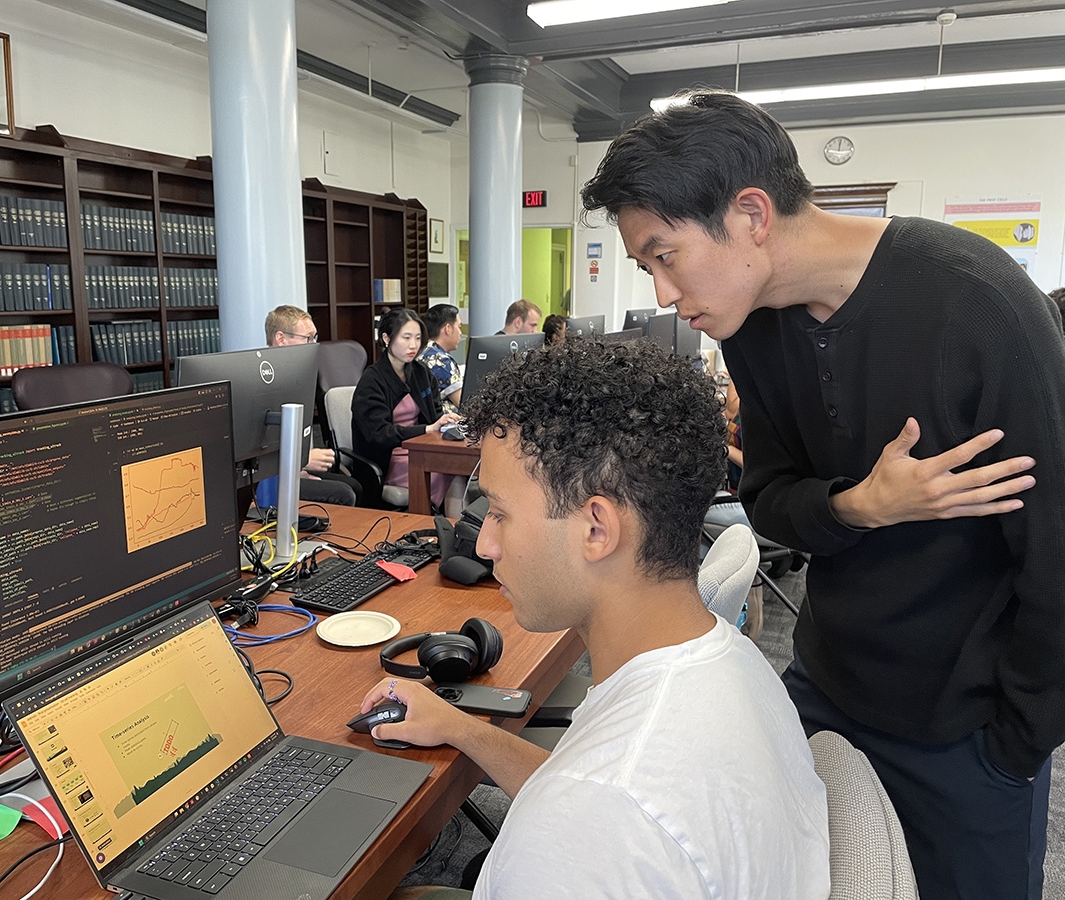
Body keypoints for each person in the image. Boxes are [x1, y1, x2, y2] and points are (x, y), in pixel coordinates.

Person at [581, 89, 1065, 900]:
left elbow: (1057, 553)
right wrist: (859, 506)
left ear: (750, 215)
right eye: (646, 267)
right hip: (825, 687)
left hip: (968, 727)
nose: (663, 293)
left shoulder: (978, 304)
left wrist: (1018, 739)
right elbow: (770, 499)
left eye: (665, 255)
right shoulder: (753, 326)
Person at [365, 339, 829, 899]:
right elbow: (578, 790)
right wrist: (458, 727)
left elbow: (593, 808)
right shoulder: (728, 662)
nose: (483, 543)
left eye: (500, 513)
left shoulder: (594, 823)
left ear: (596, 529)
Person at [351, 307, 459, 507]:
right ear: (386, 338)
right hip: (389, 459)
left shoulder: (421, 373)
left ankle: (454, 532)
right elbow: (379, 434)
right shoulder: (372, 380)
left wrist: (448, 425)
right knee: (446, 473)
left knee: (458, 470)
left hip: (422, 451)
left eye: (418, 338)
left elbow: (434, 416)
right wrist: (427, 429)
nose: (413, 345)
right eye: (406, 337)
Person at [260, 305, 362, 507]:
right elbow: (259, 450)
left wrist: (300, 467)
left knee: (355, 486)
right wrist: (301, 461)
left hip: (292, 466)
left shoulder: (297, 378)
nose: (314, 345)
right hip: (268, 479)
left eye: (315, 337)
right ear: (281, 339)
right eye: (308, 338)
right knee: (343, 493)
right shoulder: (263, 383)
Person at [417, 303, 464, 412]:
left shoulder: (421, 350)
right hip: (445, 425)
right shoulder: (441, 360)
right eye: (459, 327)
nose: (460, 333)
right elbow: (465, 405)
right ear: (448, 328)